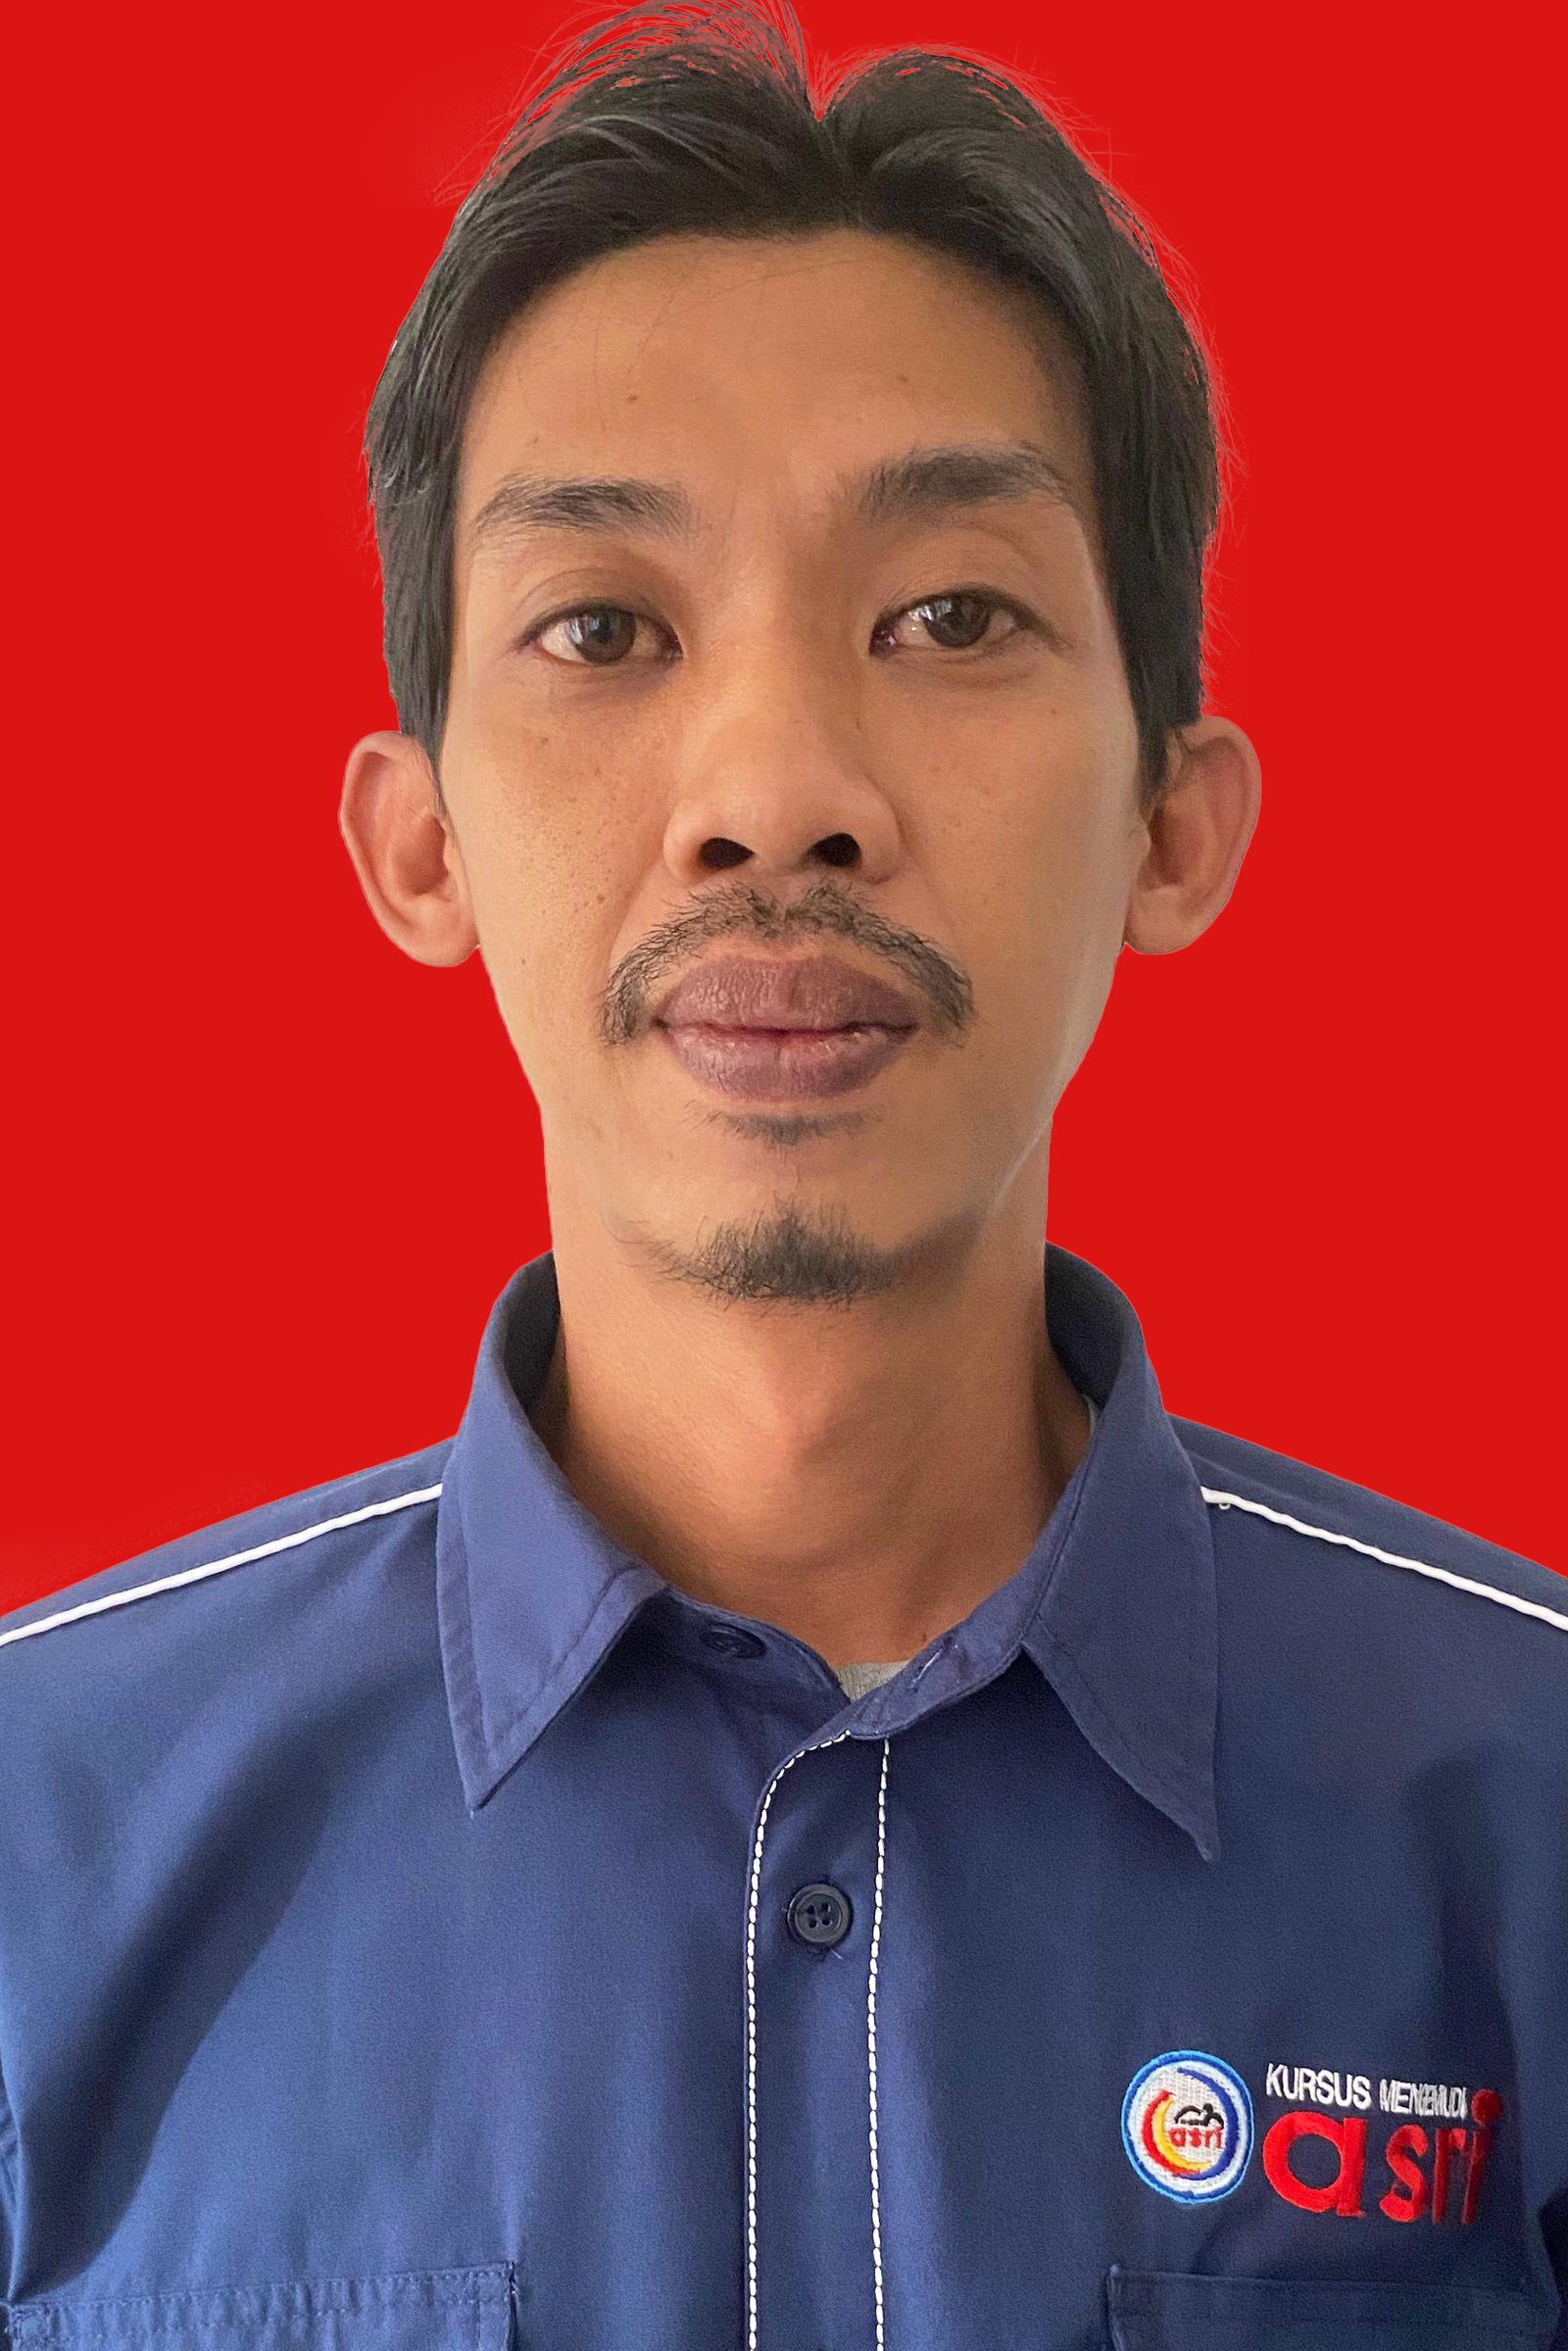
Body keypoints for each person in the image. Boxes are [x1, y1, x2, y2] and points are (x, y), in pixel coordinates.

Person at [2, 3, 1563, 2344]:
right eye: (602, 627)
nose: (772, 793)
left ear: (1169, 819)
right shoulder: (39, 1845)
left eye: (949, 615)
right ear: (420, 843)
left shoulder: (1525, 1818)